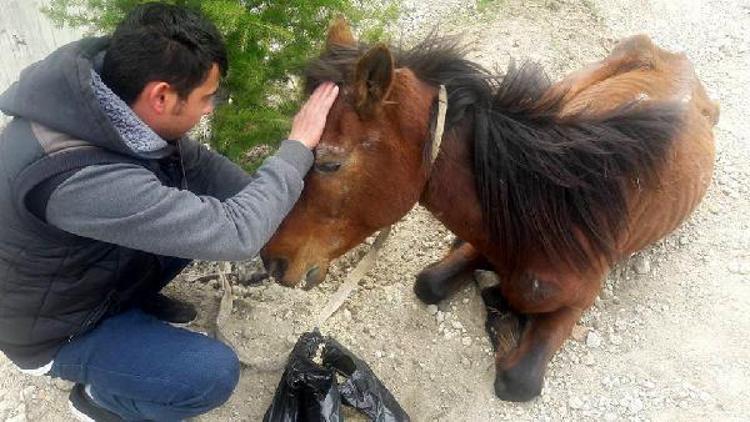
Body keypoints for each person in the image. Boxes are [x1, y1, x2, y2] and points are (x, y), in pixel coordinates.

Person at [0, 3, 338, 421]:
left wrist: (284, 206)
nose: (211, 109)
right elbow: (234, 235)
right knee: (210, 374)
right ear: (160, 96)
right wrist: (297, 148)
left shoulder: (109, 101)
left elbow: (197, 166)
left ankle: (130, 307)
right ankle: (99, 399)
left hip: (76, 276)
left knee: (189, 203)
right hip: (54, 328)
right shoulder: (76, 174)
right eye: (206, 98)